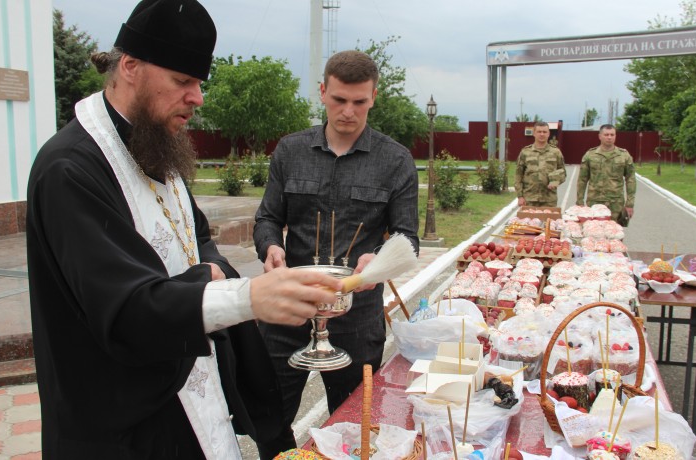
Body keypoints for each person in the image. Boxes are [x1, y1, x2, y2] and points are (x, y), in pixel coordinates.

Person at [26, 1, 343, 458]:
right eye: (183, 81)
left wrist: (214, 270)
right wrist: (246, 297)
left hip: (194, 393)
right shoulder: (70, 169)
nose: (198, 97)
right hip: (123, 428)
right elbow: (124, 309)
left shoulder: (150, 143)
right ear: (130, 66)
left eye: (199, 83)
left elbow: (196, 238)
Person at [253, 50, 420, 458]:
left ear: (374, 97)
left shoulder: (395, 160)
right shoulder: (290, 151)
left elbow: (407, 238)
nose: (348, 111)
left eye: (359, 102)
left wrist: (377, 260)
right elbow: (268, 218)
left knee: (353, 423)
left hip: (355, 312)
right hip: (288, 307)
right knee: (268, 418)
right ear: (323, 92)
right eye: (339, 99)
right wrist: (270, 246)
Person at [576, 124, 636, 226]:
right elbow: (582, 179)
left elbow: (630, 179)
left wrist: (630, 204)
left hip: (616, 203)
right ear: (600, 136)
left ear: (615, 136)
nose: (609, 137)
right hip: (594, 202)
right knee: (593, 232)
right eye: (606, 134)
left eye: (612, 135)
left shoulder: (624, 155)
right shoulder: (590, 155)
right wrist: (579, 202)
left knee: (615, 234)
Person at [514, 121, 566, 207]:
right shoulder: (525, 152)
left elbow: (563, 172)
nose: (542, 134)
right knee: (528, 220)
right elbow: (518, 175)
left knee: (548, 221)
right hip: (529, 199)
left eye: (544, 132)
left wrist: (556, 181)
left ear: (548, 134)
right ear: (534, 133)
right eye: (539, 131)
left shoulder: (556, 152)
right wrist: (520, 196)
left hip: (549, 200)